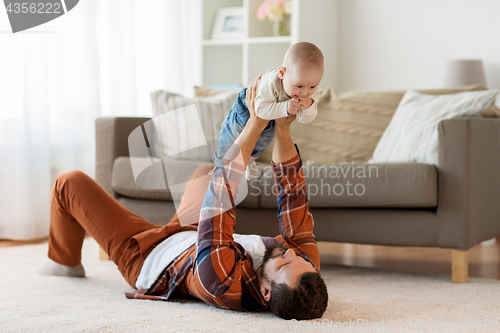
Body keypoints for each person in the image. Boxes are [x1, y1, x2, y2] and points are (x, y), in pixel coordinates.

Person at [36, 74, 328, 320]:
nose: (290, 252)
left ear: (266, 292)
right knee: (204, 170)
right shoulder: (302, 265)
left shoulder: (222, 280)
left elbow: (222, 190)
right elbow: (293, 195)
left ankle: (64, 263)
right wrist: (283, 127)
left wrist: (256, 121)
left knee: (68, 182)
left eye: (285, 263)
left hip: (150, 257)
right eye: (299, 259)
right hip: (191, 236)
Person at [215, 42, 324, 180]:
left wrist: (309, 106)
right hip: (249, 110)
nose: (304, 93)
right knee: (232, 141)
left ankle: (251, 162)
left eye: (312, 87)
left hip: (274, 114)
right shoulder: (270, 82)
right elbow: (260, 111)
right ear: (282, 73)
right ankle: (220, 164)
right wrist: (286, 108)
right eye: (299, 86)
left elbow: (305, 119)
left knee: (260, 144)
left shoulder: (309, 92)